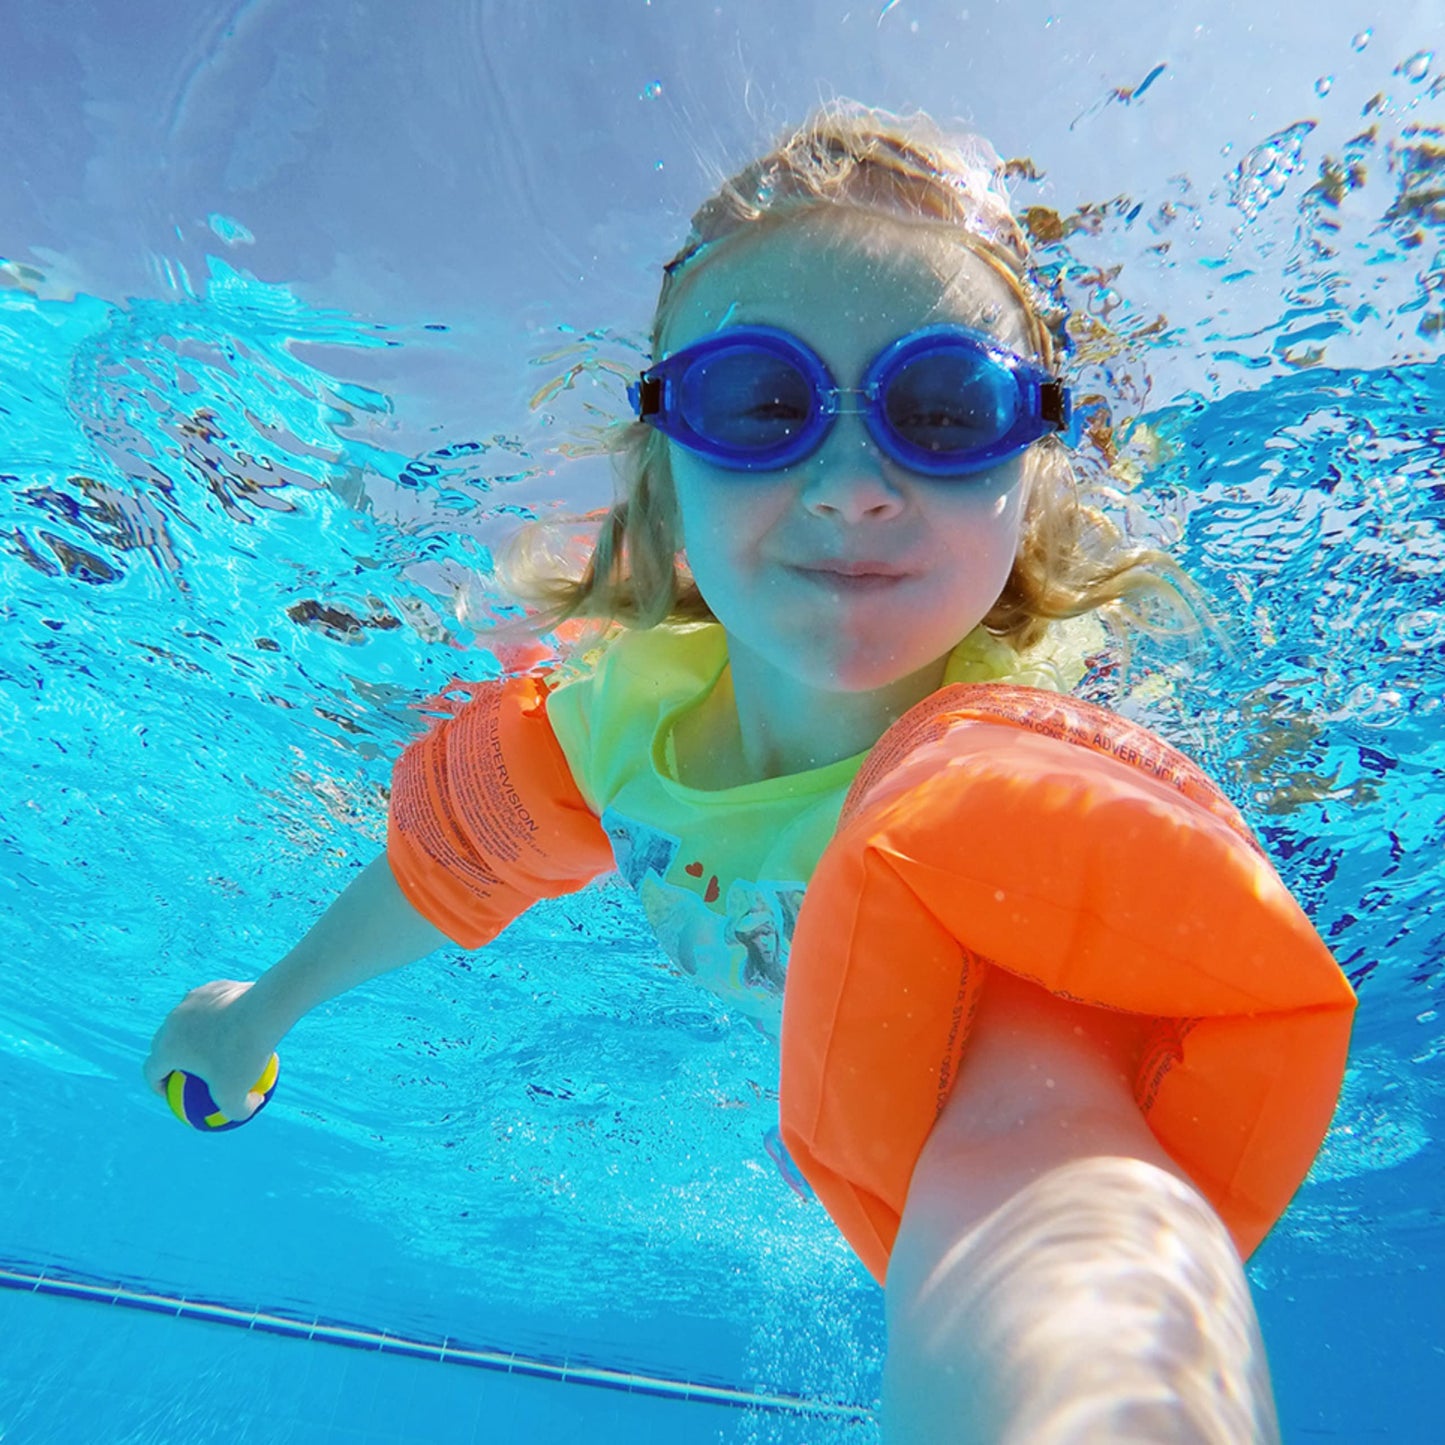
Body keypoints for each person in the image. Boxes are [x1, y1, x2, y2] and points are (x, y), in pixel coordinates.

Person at [145, 104, 1355, 1443]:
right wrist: (266, 1007)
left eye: (943, 411)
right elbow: (449, 871)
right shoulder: (616, 713)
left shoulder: (996, 804)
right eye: (760, 403)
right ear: (663, 468)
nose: (849, 481)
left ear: (1030, 469)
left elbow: (1041, 1152)